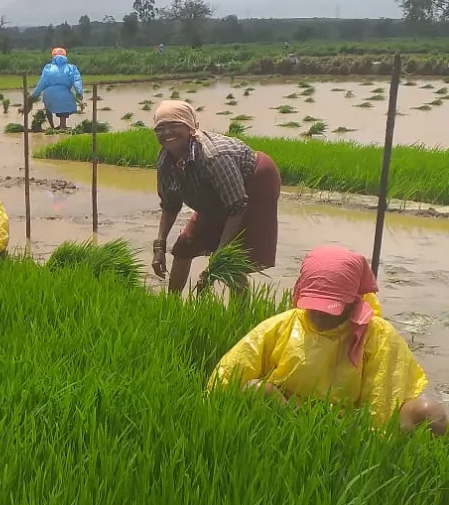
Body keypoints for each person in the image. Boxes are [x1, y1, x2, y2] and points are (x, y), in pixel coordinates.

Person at [210, 246, 447, 435]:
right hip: (291, 411)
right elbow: (235, 366)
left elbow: (383, 395)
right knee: (257, 390)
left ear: (353, 300)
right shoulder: (284, 325)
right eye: (314, 306)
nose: (320, 314)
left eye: (330, 307)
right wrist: (210, 401)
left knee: (430, 412)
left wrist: (373, 439)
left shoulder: (377, 335)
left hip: (354, 420)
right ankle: (301, 435)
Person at [150, 100, 281, 294]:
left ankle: (240, 313)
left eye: (174, 126)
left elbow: (237, 206)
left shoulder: (214, 156)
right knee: (184, 245)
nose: (167, 133)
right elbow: (170, 205)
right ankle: (171, 305)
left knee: (234, 256)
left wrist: (219, 257)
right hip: (216, 189)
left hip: (255, 181)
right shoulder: (165, 160)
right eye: (160, 128)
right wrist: (159, 246)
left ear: (190, 127)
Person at [28, 48, 83, 129]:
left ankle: (52, 127)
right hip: (64, 94)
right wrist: (79, 93)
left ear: (53, 56)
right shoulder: (71, 68)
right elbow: (77, 81)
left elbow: (42, 83)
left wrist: (34, 95)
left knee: (48, 108)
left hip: (49, 94)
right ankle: (63, 125)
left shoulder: (48, 67)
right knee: (64, 110)